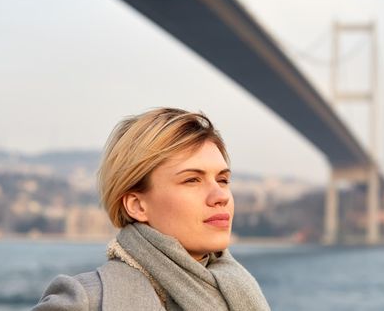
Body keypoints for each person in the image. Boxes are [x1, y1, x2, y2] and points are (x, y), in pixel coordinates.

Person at [32, 107, 270, 311]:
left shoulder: (240, 292)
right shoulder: (83, 301)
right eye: (192, 180)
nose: (220, 197)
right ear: (137, 206)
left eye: (223, 180)